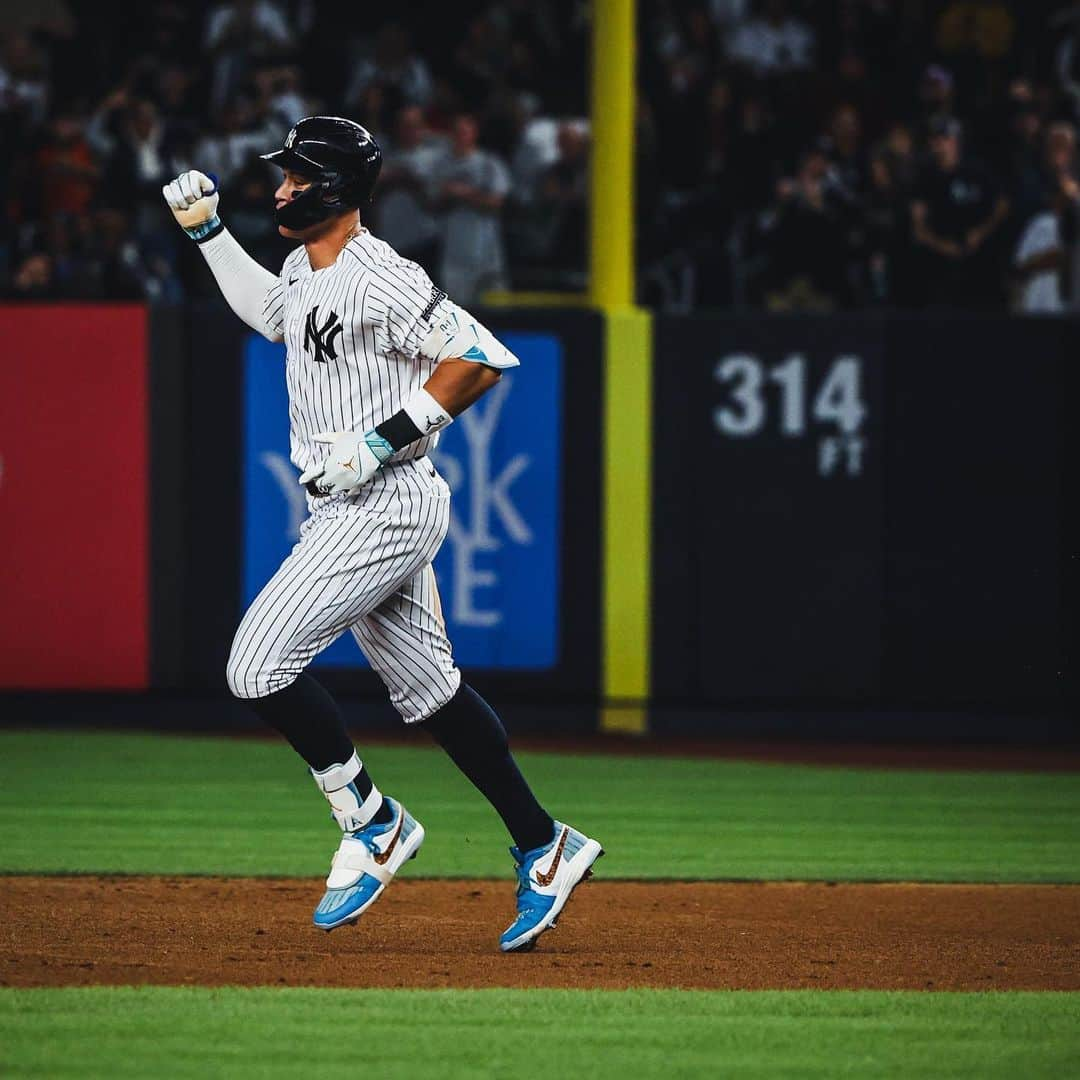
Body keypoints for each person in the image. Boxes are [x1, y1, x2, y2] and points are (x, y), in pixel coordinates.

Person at [161, 115, 602, 952]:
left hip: (386, 500)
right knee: (433, 694)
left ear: (333, 189)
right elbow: (275, 314)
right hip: (359, 508)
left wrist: (374, 446)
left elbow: (479, 355)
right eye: (284, 175)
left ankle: (370, 820)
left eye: (295, 177)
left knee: (255, 666)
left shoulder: (379, 275)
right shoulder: (304, 266)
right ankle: (546, 843)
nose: (282, 188)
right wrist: (210, 236)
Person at [910, 116, 1009, 308]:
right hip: (941, 268)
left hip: (981, 267)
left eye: (945, 139)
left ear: (956, 142)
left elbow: (1003, 204)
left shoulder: (977, 171)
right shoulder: (925, 178)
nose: (940, 144)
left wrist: (981, 231)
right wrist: (944, 246)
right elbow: (918, 228)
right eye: (935, 139)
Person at [428, 112, 512, 303]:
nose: (461, 137)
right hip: (453, 254)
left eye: (465, 132)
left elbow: (497, 203)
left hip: (488, 254)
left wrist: (464, 193)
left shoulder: (489, 163)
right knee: (458, 314)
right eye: (457, 132)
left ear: (474, 134)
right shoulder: (441, 165)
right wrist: (448, 196)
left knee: (497, 312)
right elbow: (431, 205)